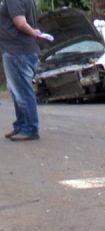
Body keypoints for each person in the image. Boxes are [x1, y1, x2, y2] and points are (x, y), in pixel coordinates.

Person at [0, 0, 48, 141]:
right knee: (17, 91)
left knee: (22, 91)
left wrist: (33, 32)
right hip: (21, 50)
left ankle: (29, 128)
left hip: (18, 51)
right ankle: (21, 125)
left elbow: (20, 22)